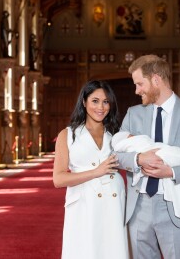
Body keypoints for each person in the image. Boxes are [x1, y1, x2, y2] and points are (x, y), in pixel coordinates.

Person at [116, 54, 180, 259]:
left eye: (139, 84)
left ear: (156, 79)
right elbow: (115, 154)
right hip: (139, 206)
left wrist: (171, 172)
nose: (136, 91)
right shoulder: (133, 113)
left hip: (175, 204)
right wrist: (138, 159)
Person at [53, 80, 129, 259]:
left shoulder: (117, 133)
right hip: (83, 203)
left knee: (114, 249)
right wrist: (96, 172)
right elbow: (59, 179)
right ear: (84, 102)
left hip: (114, 200)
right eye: (95, 101)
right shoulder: (68, 134)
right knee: (85, 250)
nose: (101, 107)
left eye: (106, 101)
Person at [112, 131, 180, 219]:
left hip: (171, 202)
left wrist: (172, 172)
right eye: (130, 136)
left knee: (170, 153)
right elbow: (114, 156)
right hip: (139, 202)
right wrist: (138, 159)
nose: (134, 136)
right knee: (165, 154)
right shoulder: (131, 119)